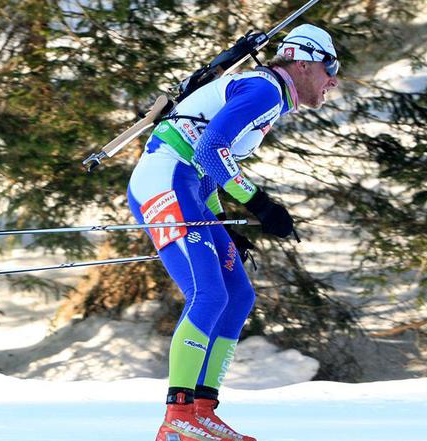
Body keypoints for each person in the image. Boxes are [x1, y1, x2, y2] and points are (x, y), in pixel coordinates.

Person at [126, 24, 340, 441]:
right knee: (209, 294)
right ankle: (178, 418)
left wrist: (220, 220)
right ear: (303, 60)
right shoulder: (265, 90)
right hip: (166, 178)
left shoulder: (269, 95)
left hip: (190, 188)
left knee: (238, 295)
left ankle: (203, 410)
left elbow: (206, 164)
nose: (333, 78)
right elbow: (208, 149)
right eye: (330, 66)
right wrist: (259, 203)